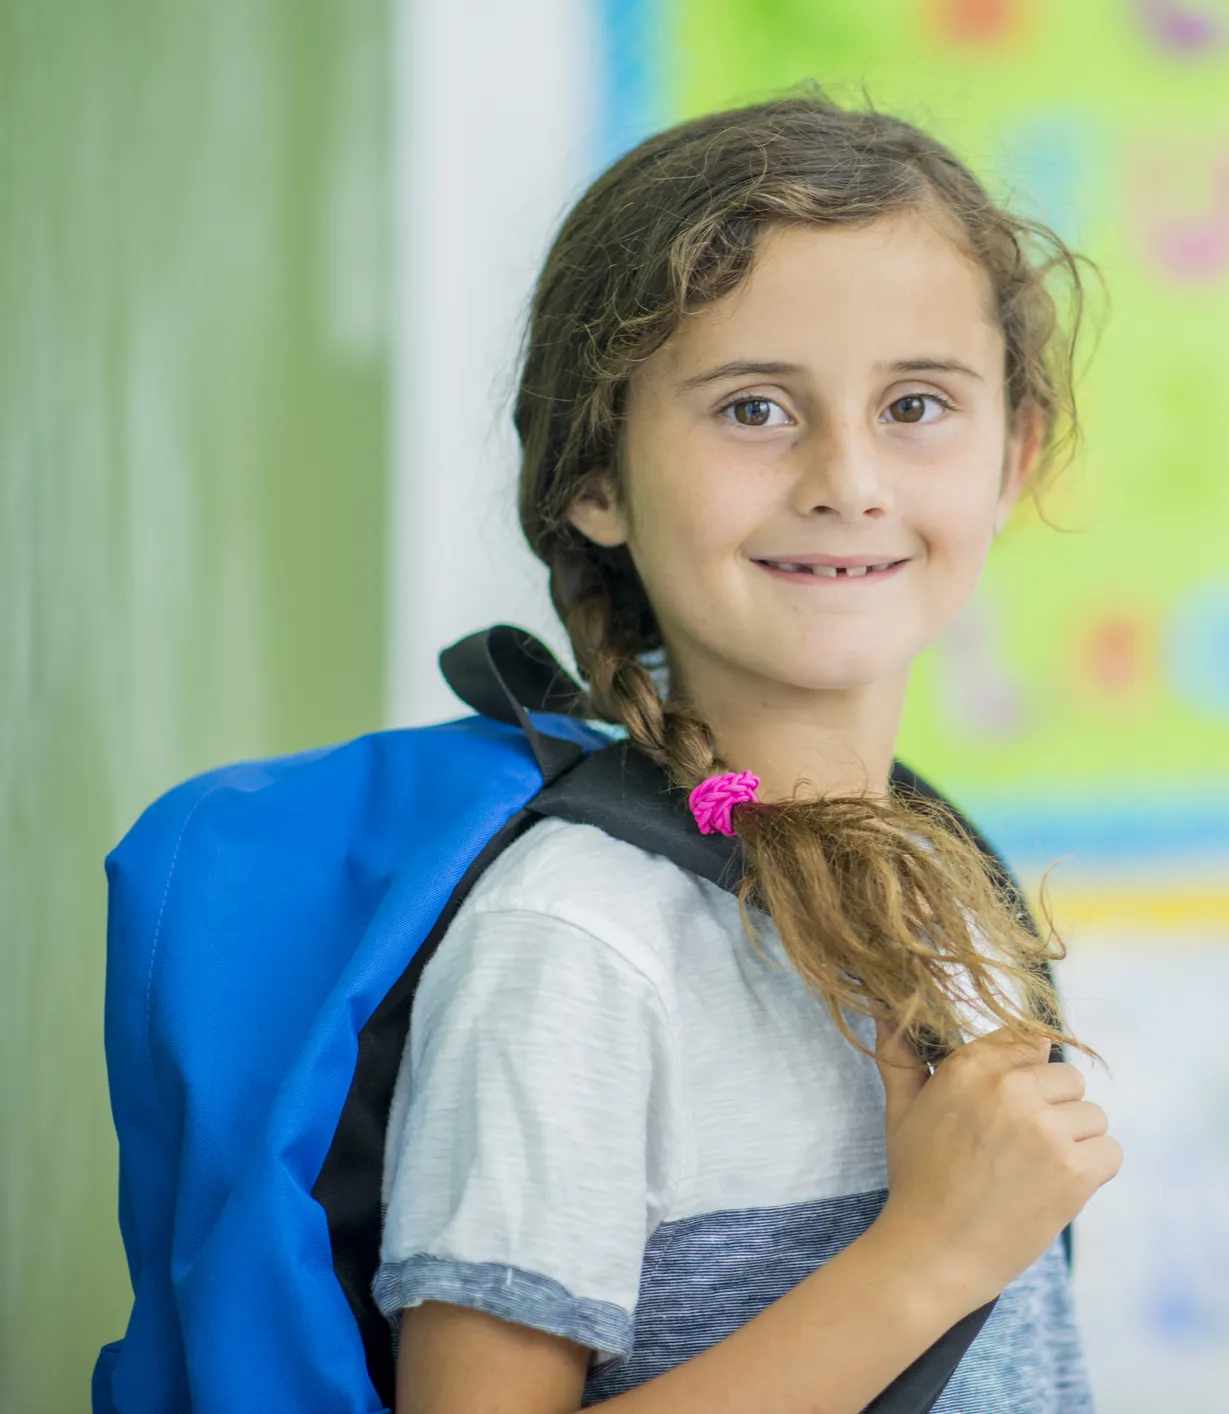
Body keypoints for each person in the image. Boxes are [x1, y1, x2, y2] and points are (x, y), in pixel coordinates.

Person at [378, 94, 1119, 1413]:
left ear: (1014, 456)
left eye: (915, 403)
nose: (848, 476)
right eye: (756, 409)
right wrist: (927, 1256)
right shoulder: (577, 944)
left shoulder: (949, 877)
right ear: (594, 476)